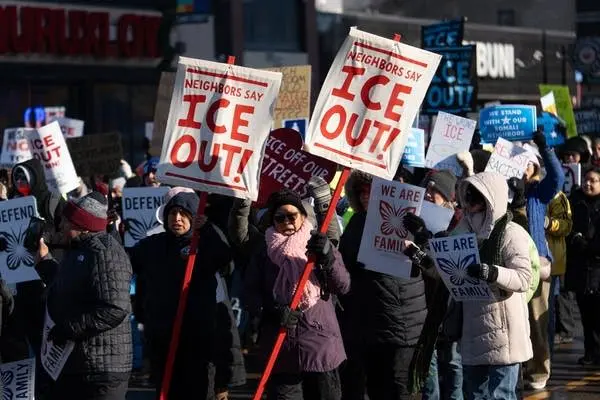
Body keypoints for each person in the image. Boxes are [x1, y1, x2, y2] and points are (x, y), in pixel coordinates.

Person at [409, 172, 533, 399]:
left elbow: (524, 278)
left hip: (504, 333)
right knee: (474, 395)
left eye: (477, 200)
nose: (471, 205)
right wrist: (419, 252)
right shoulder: (463, 231)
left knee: (501, 395)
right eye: (469, 198)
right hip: (472, 329)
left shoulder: (511, 233)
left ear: (491, 200)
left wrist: (492, 272)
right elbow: (445, 270)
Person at [244, 189, 350, 400]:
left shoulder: (319, 245)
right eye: (279, 217)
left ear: (303, 217)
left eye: (292, 215)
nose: (286, 221)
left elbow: (343, 285)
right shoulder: (263, 251)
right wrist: (274, 311)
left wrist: (328, 257)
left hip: (320, 345)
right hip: (281, 348)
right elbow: (250, 293)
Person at [131, 191, 235, 399]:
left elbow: (226, 262)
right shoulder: (153, 245)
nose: (176, 219)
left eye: (183, 213)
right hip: (163, 338)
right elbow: (127, 260)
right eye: (172, 213)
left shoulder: (204, 243)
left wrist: (206, 229)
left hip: (196, 338)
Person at [34, 192, 133, 399]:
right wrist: (44, 262)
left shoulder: (105, 252)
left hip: (101, 371)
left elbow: (115, 308)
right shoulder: (79, 251)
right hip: (80, 366)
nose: (60, 227)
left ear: (83, 225)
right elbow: (69, 288)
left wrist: (69, 329)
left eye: (66, 222)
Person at [338, 171, 427, 400]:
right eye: (361, 192)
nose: (366, 196)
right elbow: (344, 264)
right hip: (368, 323)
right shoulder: (356, 222)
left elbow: (429, 265)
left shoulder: (411, 221)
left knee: (399, 388)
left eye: (371, 190)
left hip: (401, 321)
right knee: (377, 386)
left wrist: (421, 236)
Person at [565, 167, 600, 365]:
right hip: (580, 269)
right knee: (586, 316)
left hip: (597, 267)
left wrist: (587, 245)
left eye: (593, 180)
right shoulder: (576, 203)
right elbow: (568, 229)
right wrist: (575, 240)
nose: (588, 183)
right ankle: (591, 353)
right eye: (586, 179)